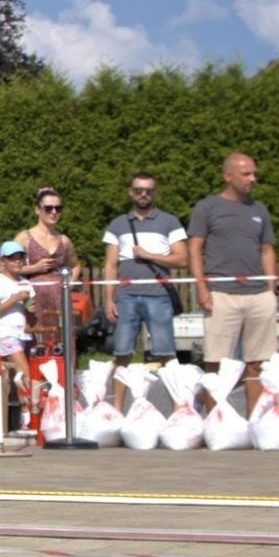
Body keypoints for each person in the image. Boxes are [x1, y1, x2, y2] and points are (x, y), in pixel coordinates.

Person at [190, 153, 278, 412]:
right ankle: (215, 421)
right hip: (222, 294)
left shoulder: (259, 209)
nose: (252, 178)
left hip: (258, 295)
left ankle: (253, 422)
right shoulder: (207, 208)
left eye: (254, 174)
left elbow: (267, 250)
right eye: (246, 174)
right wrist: (202, 287)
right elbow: (195, 248)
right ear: (228, 176)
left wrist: (270, 290)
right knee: (216, 362)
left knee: (258, 363)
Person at [102, 173, 188, 409]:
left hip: (159, 296)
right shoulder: (117, 225)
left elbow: (182, 260)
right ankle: (117, 409)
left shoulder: (169, 222)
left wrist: (149, 255)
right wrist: (110, 298)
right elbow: (110, 265)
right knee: (122, 353)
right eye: (139, 190)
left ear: (155, 193)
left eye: (148, 190)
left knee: (166, 353)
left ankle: (178, 408)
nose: (143, 194)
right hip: (126, 297)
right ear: (131, 192)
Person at [14, 187, 81, 354]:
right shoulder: (25, 237)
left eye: (58, 208)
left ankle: (66, 376)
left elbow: (76, 265)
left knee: (63, 338)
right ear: (38, 210)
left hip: (60, 297)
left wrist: (69, 285)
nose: (53, 212)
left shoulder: (64, 240)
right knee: (39, 340)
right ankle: (38, 376)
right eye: (48, 208)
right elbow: (7, 267)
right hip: (36, 297)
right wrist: (34, 268)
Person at [0, 241, 37, 427]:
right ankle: (27, 417)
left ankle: (9, 420)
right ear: (3, 261)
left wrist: (32, 309)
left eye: (20, 258)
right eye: (12, 259)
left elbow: (30, 311)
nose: (18, 262)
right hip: (5, 334)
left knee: (10, 380)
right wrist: (15, 298)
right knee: (24, 372)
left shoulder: (26, 283)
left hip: (21, 334)